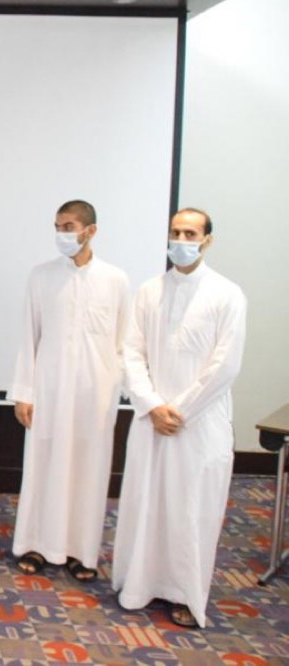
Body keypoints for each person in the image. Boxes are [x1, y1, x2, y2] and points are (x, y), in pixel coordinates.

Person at [112, 208, 246, 628]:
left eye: (190, 233)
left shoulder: (228, 294)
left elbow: (225, 365)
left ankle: (186, 595)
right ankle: (138, 585)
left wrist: (180, 410)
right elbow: (130, 353)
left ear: (207, 240)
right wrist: (153, 405)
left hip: (199, 425)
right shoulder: (149, 291)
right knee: (146, 503)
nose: (181, 240)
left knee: (192, 510)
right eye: (175, 232)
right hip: (150, 420)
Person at [8, 200, 130, 581]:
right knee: (43, 466)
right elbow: (29, 336)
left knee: (88, 471)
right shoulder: (42, 276)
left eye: (69, 226)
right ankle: (35, 544)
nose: (62, 233)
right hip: (49, 391)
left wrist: (115, 389)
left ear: (90, 231)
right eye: (58, 226)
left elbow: (123, 344)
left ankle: (81, 552)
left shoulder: (116, 280)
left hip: (96, 396)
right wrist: (24, 391)